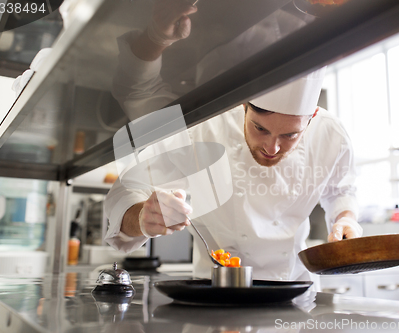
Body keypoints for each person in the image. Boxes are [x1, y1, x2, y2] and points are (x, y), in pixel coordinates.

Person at [104, 0, 362, 290]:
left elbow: (342, 190)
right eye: (260, 128)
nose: (272, 148)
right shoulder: (200, 129)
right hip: (213, 293)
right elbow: (122, 194)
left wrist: (345, 220)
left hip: (292, 298)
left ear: (312, 116)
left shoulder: (330, 134)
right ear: (243, 106)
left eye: (290, 135)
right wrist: (142, 216)